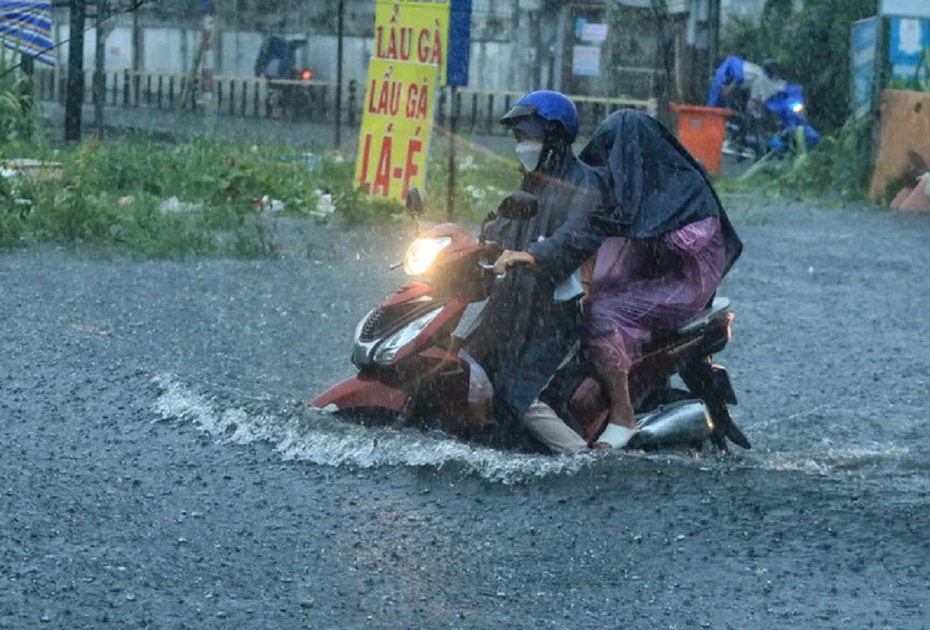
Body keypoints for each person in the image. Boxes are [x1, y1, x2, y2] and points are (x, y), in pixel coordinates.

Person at [508, 109, 743, 449]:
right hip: (639, 275)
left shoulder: (680, 186)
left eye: (616, 153)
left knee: (600, 313)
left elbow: (690, 241)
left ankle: (623, 416)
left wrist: (640, 221)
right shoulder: (614, 187)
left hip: (684, 283)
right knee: (572, 305)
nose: (611, 163)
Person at [466, 90, 605, 454]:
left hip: (556, 317)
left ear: (554, 138)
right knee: (470, 367)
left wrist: (532, 257)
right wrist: (472, 247)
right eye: (519, 139)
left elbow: (578, 235)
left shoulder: (586, 184)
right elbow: (502, 227)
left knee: (519, 395)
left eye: (529, 137)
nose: (522, 146)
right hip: (515, 306)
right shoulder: (533, 182)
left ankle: (584, 461)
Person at [706, 56, 786, 109]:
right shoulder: (762, 77)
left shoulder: (759, 73)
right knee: (716, 99)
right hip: (734, 71)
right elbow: (755, 98)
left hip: (734, 67)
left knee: (721, 98)